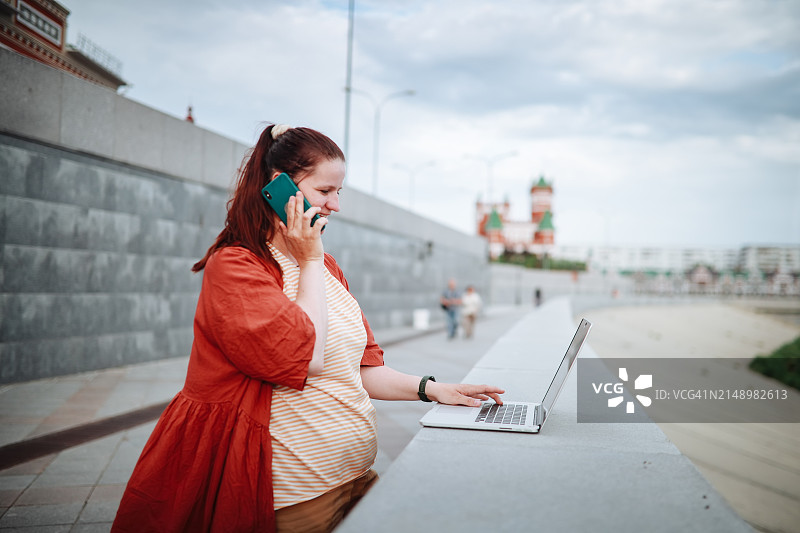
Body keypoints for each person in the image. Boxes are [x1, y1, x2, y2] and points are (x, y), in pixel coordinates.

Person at [111, 124, 504, 533]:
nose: (336, 204)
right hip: (298, 493)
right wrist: (309, 261)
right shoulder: (238, 267)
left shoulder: (328, 268)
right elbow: (309, 358)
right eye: (324, 191)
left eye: (340, 192)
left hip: (356, 477)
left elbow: (362, 369)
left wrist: (435, 389)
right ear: (279, 188)